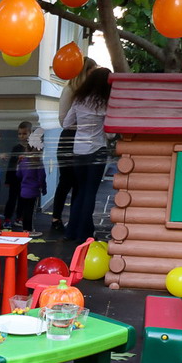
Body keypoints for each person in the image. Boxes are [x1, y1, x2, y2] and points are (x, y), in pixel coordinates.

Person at [60, 67, 111, 243]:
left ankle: (72, 231)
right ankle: (84, 234)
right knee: (90, 193)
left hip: (78, 151)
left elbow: (66, 124)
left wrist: (82, 127)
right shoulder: (105, 103)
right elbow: (111, 134)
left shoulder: (79, 100)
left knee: (80, 191)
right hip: (97, 150)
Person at [49, 57, 97, 233]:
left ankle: (75, 219)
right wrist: (85, 124)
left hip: (83, 139)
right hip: (70, 140)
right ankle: (56, 217)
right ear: (85, 71)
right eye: (92, 71)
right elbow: (64, 121)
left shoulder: (87, 92)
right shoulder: (70, 90)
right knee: (66, 180)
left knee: (79, 182)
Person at [13, 125, 46, 231]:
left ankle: (25, 229)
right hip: (33, 191)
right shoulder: (38, 164)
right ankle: (30, 230)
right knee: (31, 211)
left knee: (25, 210)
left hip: (23, 190)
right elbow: (42, 177)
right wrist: (43, 188)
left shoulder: (23, 162)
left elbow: (18, 175)